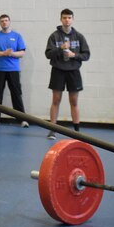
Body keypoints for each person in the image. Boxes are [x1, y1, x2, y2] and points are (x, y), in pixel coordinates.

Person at [44, 9, 90, 139]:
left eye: (69, 17)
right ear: (61, 19)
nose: (67, 20)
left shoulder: (79, 36)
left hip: (73, 71)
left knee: (74, 101)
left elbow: (86, 55)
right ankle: (52, 129)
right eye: (64, 18)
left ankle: (76, 130)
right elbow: (48, 54)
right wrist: (61, 48)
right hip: (58, 71)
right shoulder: (54, 36)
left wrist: (74, 55)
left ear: (73, 19)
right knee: (56, 100)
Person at [0, 14, 28, 127]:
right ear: (0, 23)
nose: (4, 22)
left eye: (6, 20)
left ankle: (22, 119)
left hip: (13, 70)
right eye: (2, 21)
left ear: (9, 22)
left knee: (16, 94)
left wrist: (11, 53)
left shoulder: (17, 36)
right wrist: (3, 53)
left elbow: (22, 53)